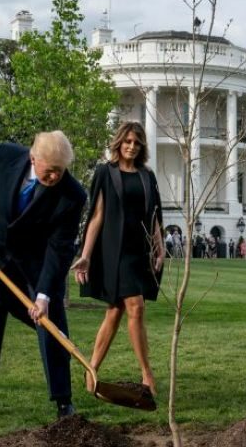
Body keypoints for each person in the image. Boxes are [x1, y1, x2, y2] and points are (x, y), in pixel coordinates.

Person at [0, 131, 87, 420]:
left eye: (59, 172)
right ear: (32, 158)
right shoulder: (5, 156)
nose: (53, 178)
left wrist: (44, 295)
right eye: (49, 171)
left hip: (36, 264)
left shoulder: (73, 195)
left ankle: (63, 401)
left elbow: (60, 248)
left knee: (50, 325)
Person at [71, 122, 164, 397]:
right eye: (128, 141)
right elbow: (97, 216)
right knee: (136, 306)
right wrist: (86, 255)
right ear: (119, 142)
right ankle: (147, 374)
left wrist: (159, 248)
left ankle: (92, 368)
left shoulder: (147, 176)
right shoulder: (105, 173)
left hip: (140, 251)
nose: (132, 146)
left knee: (115, 312)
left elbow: (155, 216)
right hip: (117, 250)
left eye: (137, 142)